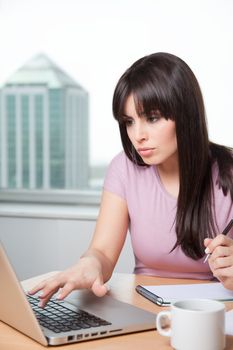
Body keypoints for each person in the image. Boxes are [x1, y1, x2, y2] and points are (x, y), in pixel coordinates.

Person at [30, 52, 233, 307]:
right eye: (128, 122)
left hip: (212, 314)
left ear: (186, 114)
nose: (138, 136)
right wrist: (90, 264)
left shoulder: (229, 171)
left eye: (152, 118)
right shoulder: (123, 169)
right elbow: (102, 252)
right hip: (146, 310)